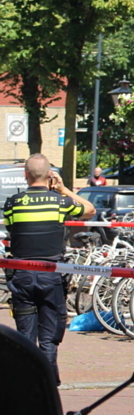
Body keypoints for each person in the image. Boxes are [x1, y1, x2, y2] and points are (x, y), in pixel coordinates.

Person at [3, 154, 95, 384]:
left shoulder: (12, 203)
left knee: (24, 337)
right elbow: (90, 210)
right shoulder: (59, 202)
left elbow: (11, 228)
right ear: (49, 176)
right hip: (50, 275)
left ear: (25, 175)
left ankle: (23, 386)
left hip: (21, 275)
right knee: (49, 339)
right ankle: (47, 384)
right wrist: (64, 189)